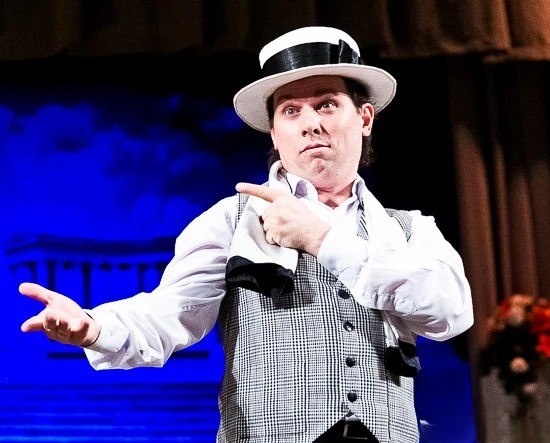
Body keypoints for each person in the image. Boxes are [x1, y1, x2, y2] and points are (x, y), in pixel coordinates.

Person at [19, 26, 474, 443]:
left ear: (365, 117)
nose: (310, 123)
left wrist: (321, 240)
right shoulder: (231, 220)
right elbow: (169, 314)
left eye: (326, 104)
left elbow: (450, 314)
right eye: (291, 110)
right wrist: (94, 327)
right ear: (274, 133)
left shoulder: (410, 229)